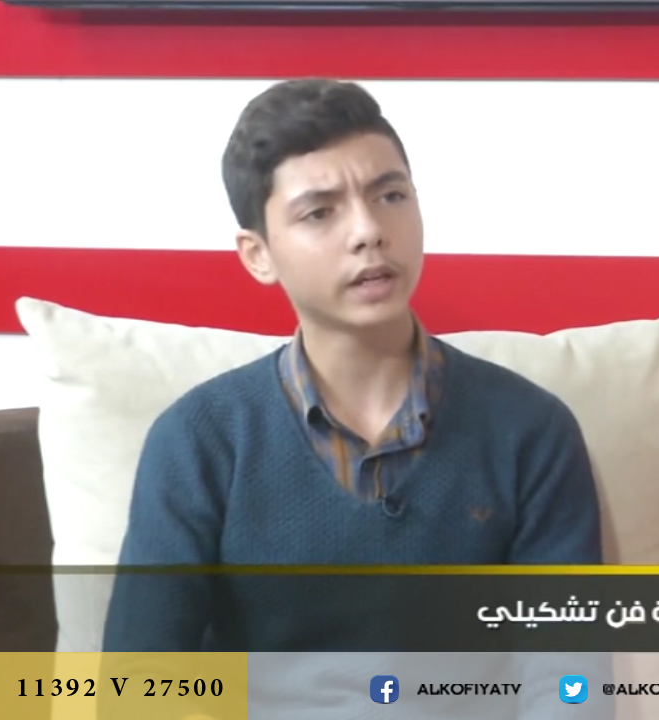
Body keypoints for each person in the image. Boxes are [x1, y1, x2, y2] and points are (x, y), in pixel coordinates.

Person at [100, 79, 608, 716]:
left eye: (390, 196)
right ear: (258, 255)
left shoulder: (529, 430)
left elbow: (568, 684)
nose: (369, 231)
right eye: (320, 213)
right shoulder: (199, 439)